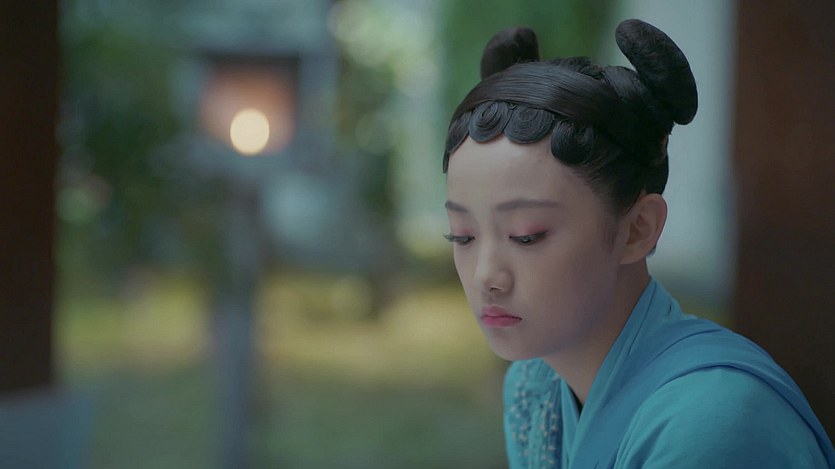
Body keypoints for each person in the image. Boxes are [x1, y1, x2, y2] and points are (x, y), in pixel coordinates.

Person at [442, 19, 834, 468]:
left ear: (638, 228)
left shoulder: (710, 424)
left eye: (526, 236)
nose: (486, 276)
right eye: (462, 235)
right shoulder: (534, 389)